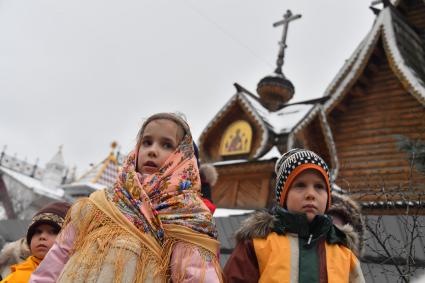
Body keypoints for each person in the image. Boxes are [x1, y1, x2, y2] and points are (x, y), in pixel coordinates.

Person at [30, 112, 222, 283]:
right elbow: (57, 258)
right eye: (147, 142)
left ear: (183, 157)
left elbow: (196, 276)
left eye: (166, 145)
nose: (152, 150)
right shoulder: (99, 204)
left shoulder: (186, 216)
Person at [223, 148, 365, 283]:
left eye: (319, 187)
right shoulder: (258, 243)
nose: (311, 194)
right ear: (284, 196)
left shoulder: (343, 252)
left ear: (328, 198)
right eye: (300, 185)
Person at [0, 201, 71, 283]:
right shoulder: (19, 272)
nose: (42, 237)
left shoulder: (73, 275)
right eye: (38, 232)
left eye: (54, 232)